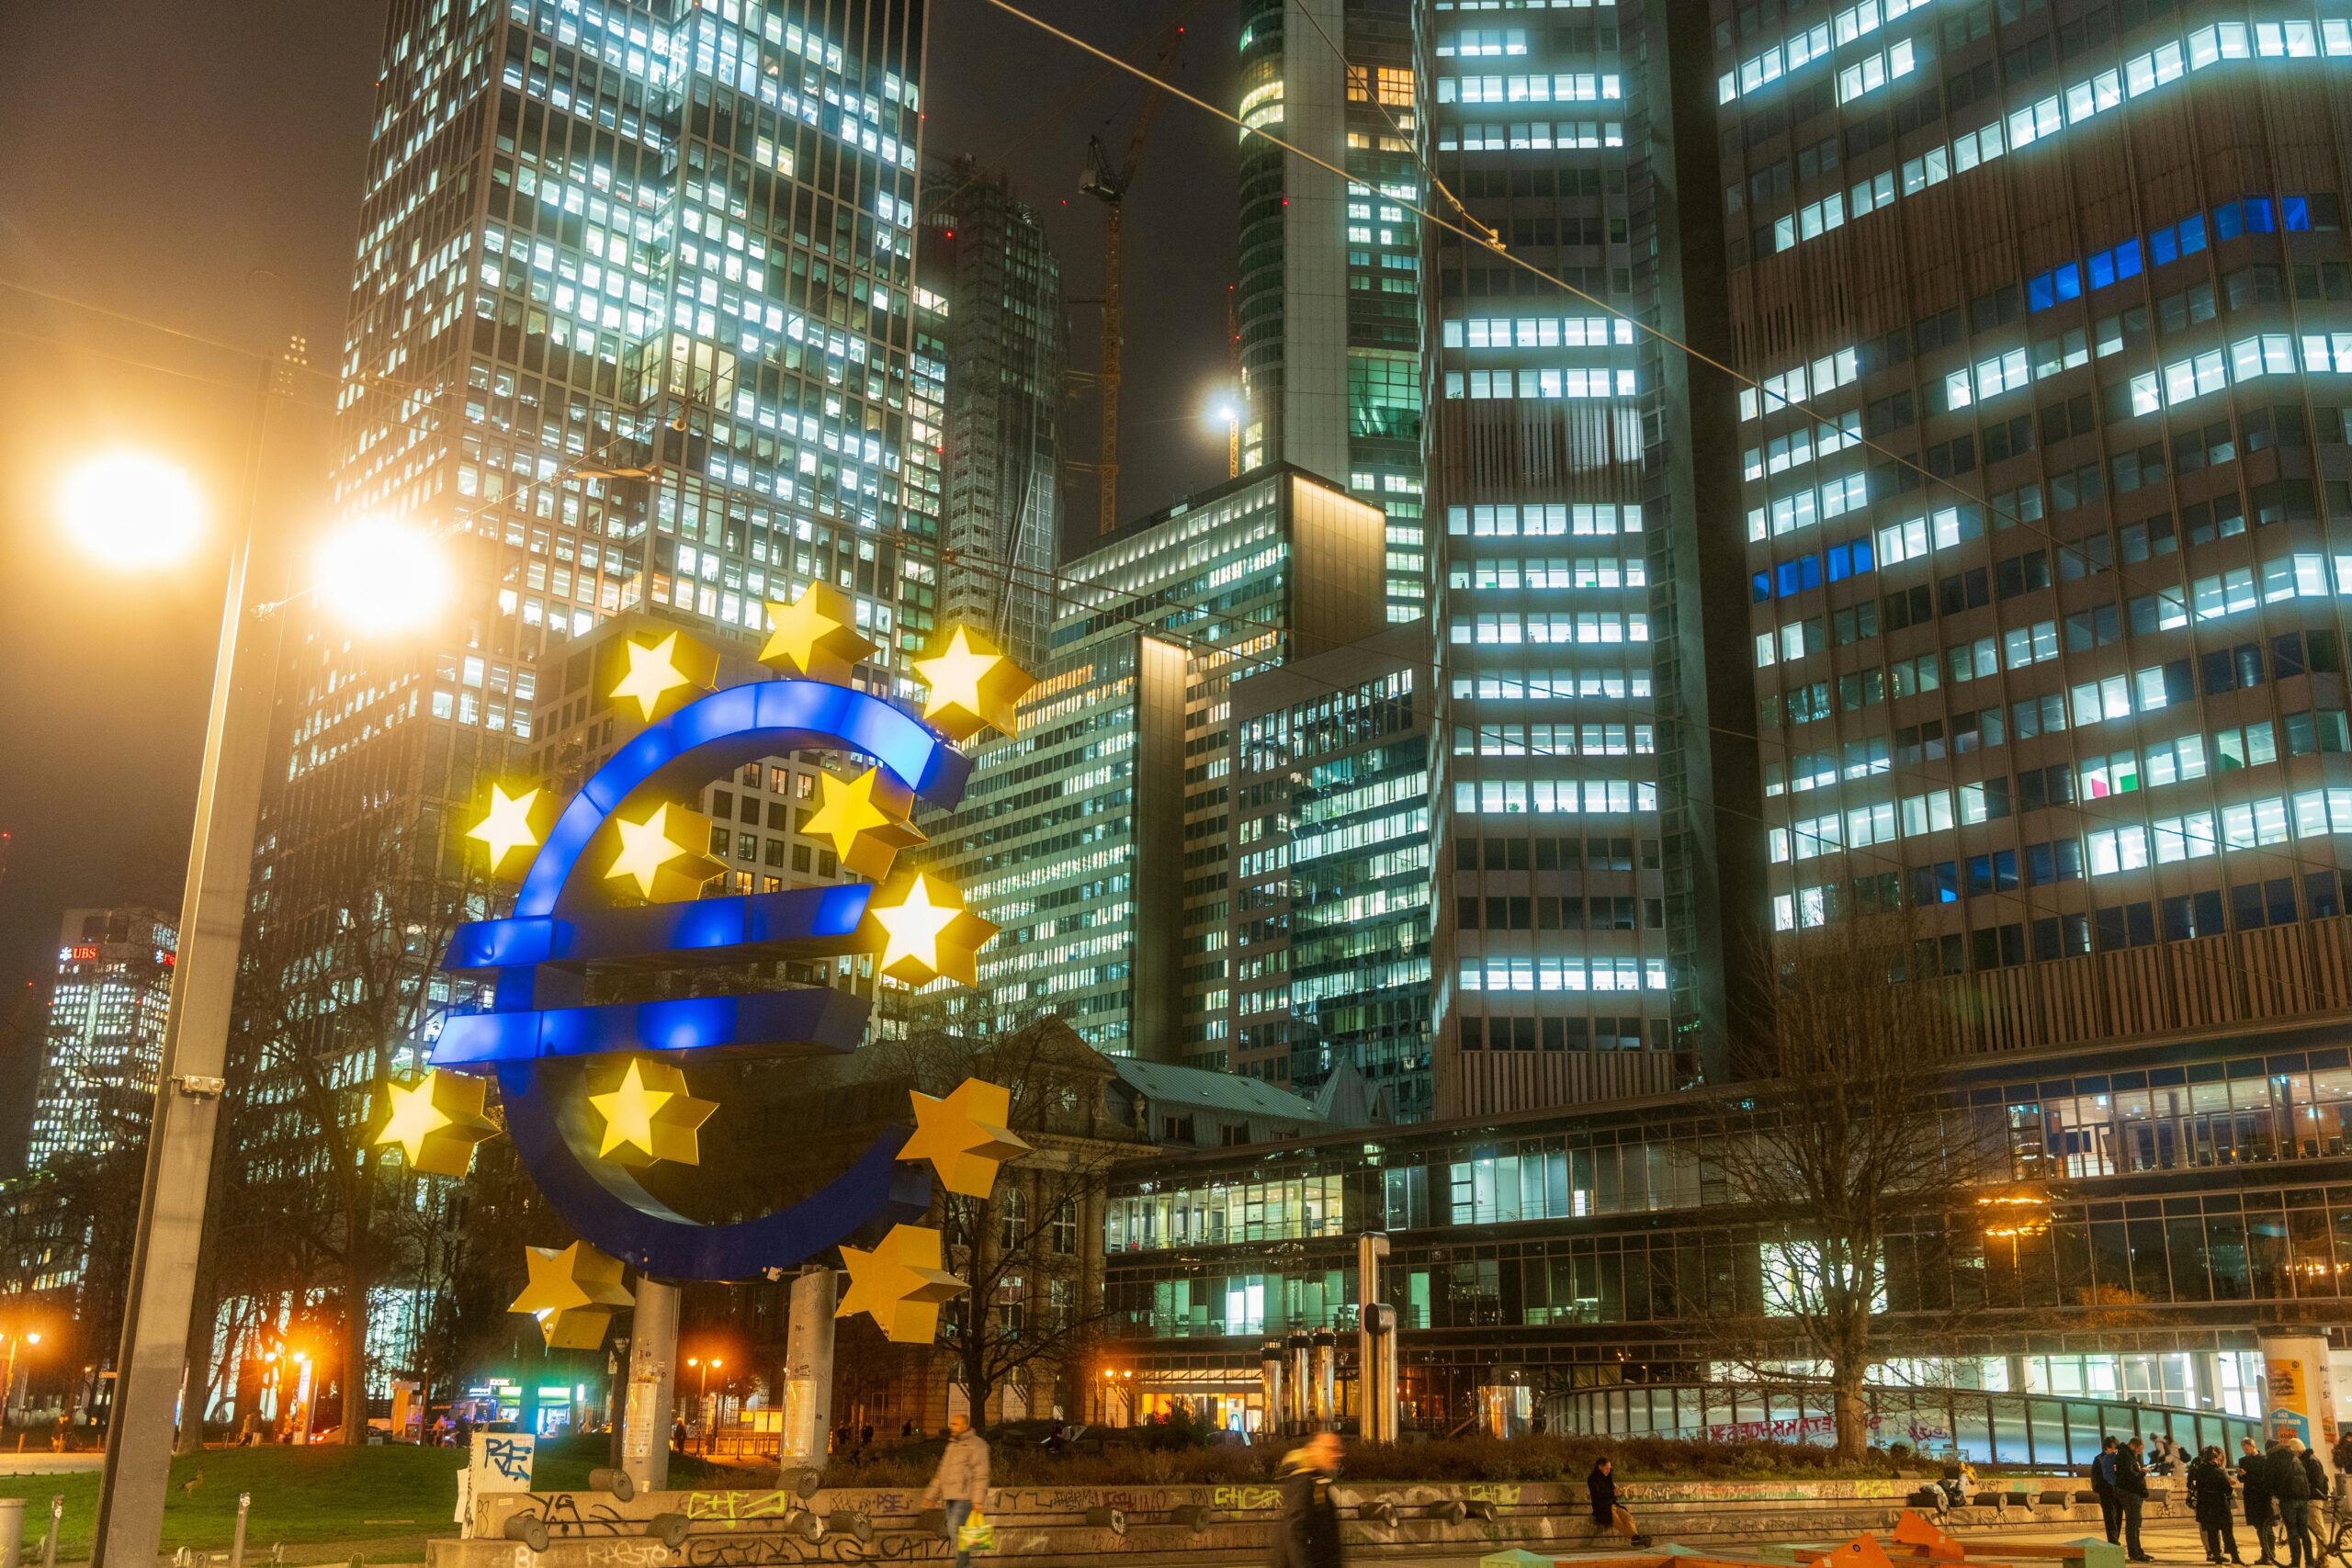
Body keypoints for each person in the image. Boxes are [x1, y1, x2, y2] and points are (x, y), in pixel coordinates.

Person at [921, 1413, 992, 1568]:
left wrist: (978, 1500)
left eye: (956, 1424)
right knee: (955, 1530)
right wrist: (931, 1496)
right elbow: (941, 1473)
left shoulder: (977, 1445)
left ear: (965, 1426)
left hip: (966, 1497)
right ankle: (964, 1564)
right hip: (950, 1496)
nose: (952, 1427)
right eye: (952, 1423)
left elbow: (981, 1474)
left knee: (954, 1528)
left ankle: (963, 1565)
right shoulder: (952, 1446)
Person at [1271, 1431, 1344, 1568]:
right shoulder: (1304, 1481)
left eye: (1338, 1450)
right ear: (1314, 1450)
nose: (1336, 1455)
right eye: (1331, 1449)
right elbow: (1294, 1530)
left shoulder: (1318, 1481)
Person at [2191, 1444, 2246, 1565]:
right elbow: (2228, 1490)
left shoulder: (2199, 1471)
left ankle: (2217, 1558)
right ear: (2214, 1458)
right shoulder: (2219, 1472)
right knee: (2228, 1533)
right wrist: (2231, 1492)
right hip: (2220, 1506)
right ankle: (2235, 1557)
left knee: (2212, 1533)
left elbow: (2196, 1485)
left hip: (2206, 1506)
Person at [2270, 1437, 2315, 1568]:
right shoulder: (2298, 1461)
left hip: (2289, 1500)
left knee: (2293, 1532)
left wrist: (2277, 1493)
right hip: (2303, 1499)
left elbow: (2280, 1480)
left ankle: (2295, 1563)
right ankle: (2310, 1562)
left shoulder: (2282, 1460)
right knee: (2304, 1532)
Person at [2116, 1436, 2154, 1563]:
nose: (2140, 1452)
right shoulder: (2125, 1456)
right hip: (2130, 1494)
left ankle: (2138, 1550)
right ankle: (2134, 1553)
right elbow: (2129, 1475)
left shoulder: (2129, 1456)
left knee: (2136, 1524)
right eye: (2140, 1449)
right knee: (2133, 1524)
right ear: (2133, 1445)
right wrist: (2142, 1472)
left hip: (2134, 1494)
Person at [2245, 1437, 2280, 1566]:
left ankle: (2270, 1554)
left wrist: (2247, 1475)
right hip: (2251, 1498)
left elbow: (2264, 1478)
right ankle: (2265, 1554)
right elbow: (2244, 1479)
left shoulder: (2264, 1460)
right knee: (2259, 1528)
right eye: (2243, 1449)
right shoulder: (2244, 1460)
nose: (2245, 1451)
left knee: (2267, 1527)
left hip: (2263, 1498)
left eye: (2247, 1448)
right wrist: (2242, 1476)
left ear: (2253, 1446)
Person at [2096, 1438, 2125, 1546]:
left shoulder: (2118, 1458)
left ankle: (2115, 1539)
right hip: (2107, 1493)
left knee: (2118, 1517)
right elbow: (2096, 1478)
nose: (2115, 1450)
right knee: (2110, 1517)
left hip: (2118, 1492)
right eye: (2113, 1448)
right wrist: (2102, 1491)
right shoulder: (2099, 1459)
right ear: (2107, 1448)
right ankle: (2113, 1541)